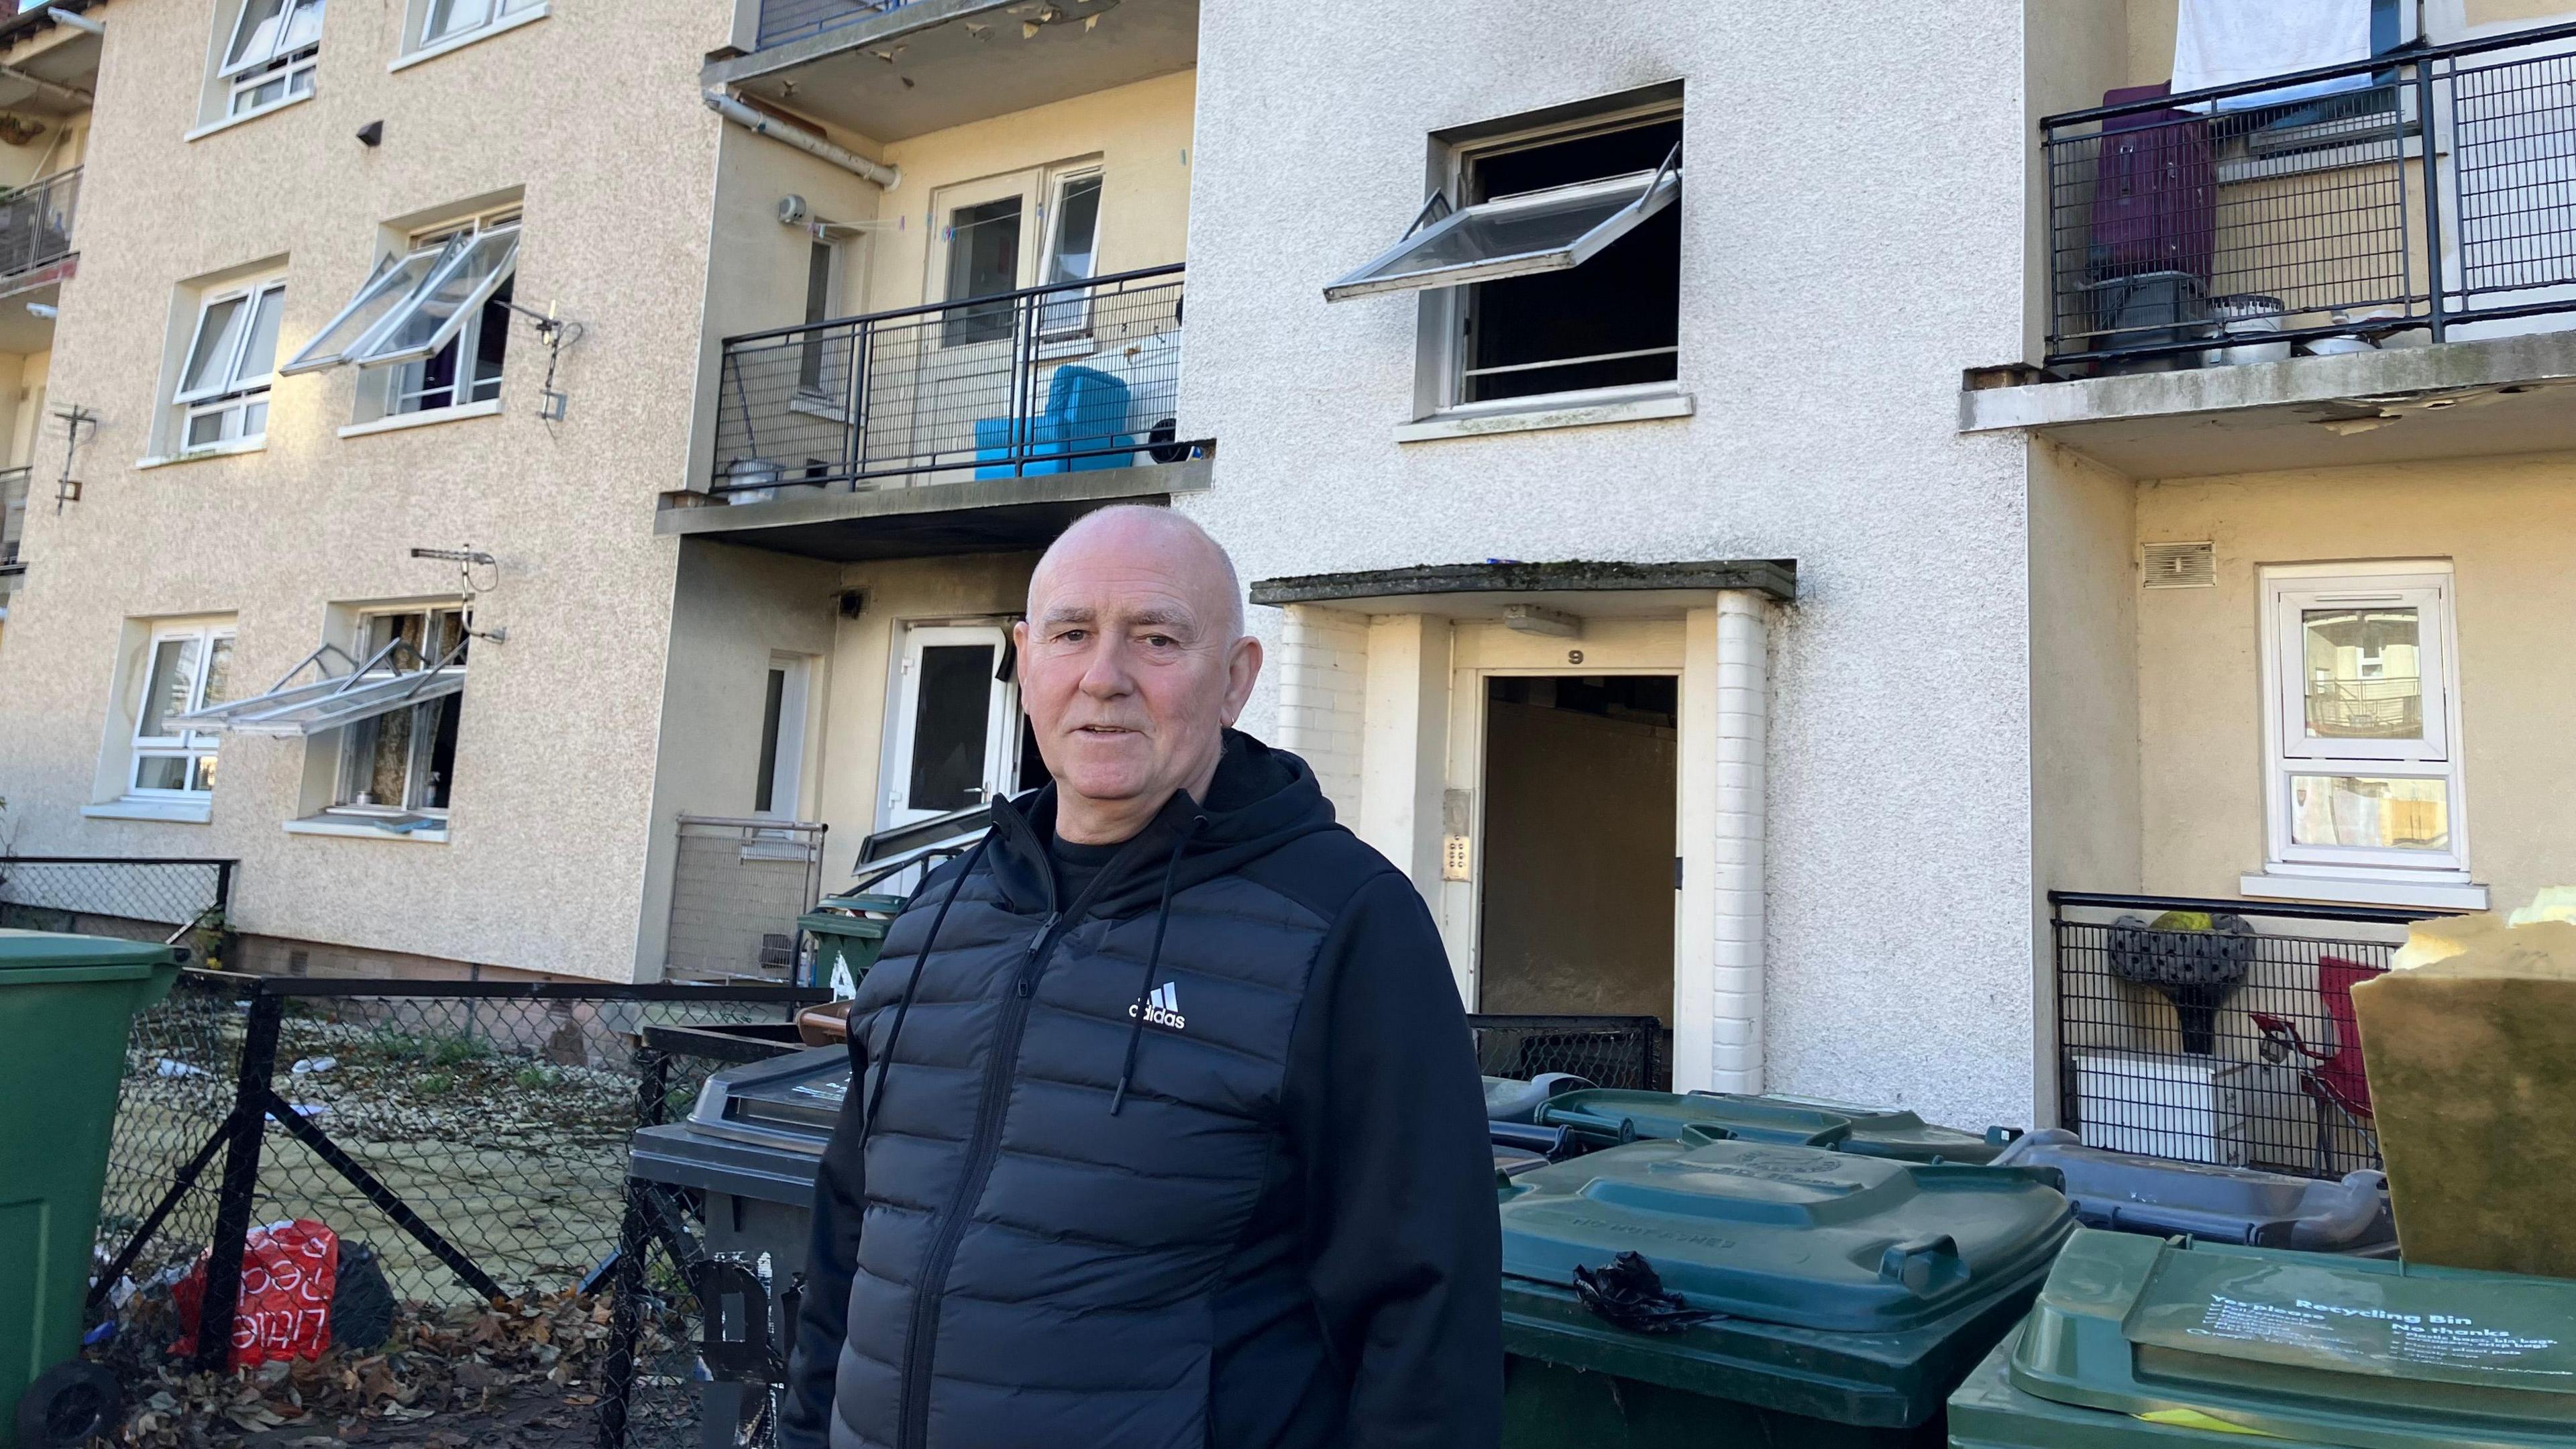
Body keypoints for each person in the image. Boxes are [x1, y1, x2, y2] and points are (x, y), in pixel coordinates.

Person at [781, 506, 1501, 1449]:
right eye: (1071, 635)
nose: (1104, 678)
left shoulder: (1346, 924)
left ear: (1235, 679)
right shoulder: (940, 913)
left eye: (1156, 638)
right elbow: (850, 1243)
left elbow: (1427, 1321)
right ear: (1024, 657)